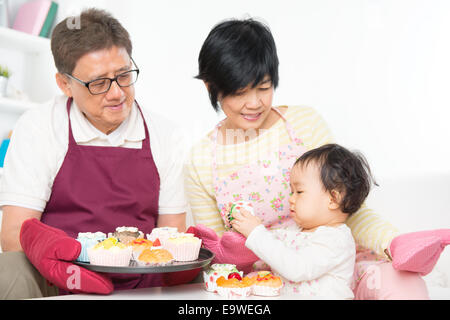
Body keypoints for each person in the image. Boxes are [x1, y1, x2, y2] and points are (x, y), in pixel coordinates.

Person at [185, 17, 449, 299]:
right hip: (268, 284)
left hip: (334, 267)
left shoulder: (304, 124)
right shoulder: (200, 160)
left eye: (263, 88)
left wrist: (392, 242)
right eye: (240, 92)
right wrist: (235, 250)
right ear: (211, 87)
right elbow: (217, 262)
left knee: (403, 284)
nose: (255, 103)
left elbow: (345, 205)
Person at [0, 9, 188, 299]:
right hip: (56, 280)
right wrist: (67, 273)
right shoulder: (38, 126)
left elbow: (171, 237)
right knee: (8, 269)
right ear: (65, 85)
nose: (117, 93)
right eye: (98, 83)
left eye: (124, 75)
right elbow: (14, 235)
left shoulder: (166, 134)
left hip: (139, 283)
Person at [231, 143, 376, 299]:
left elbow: (296, 268)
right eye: (291, 191)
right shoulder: (294, 230)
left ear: (333, 199)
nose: (291, 199)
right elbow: (271, 252)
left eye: (299, 191)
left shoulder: (336, 239)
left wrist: (256, 233)